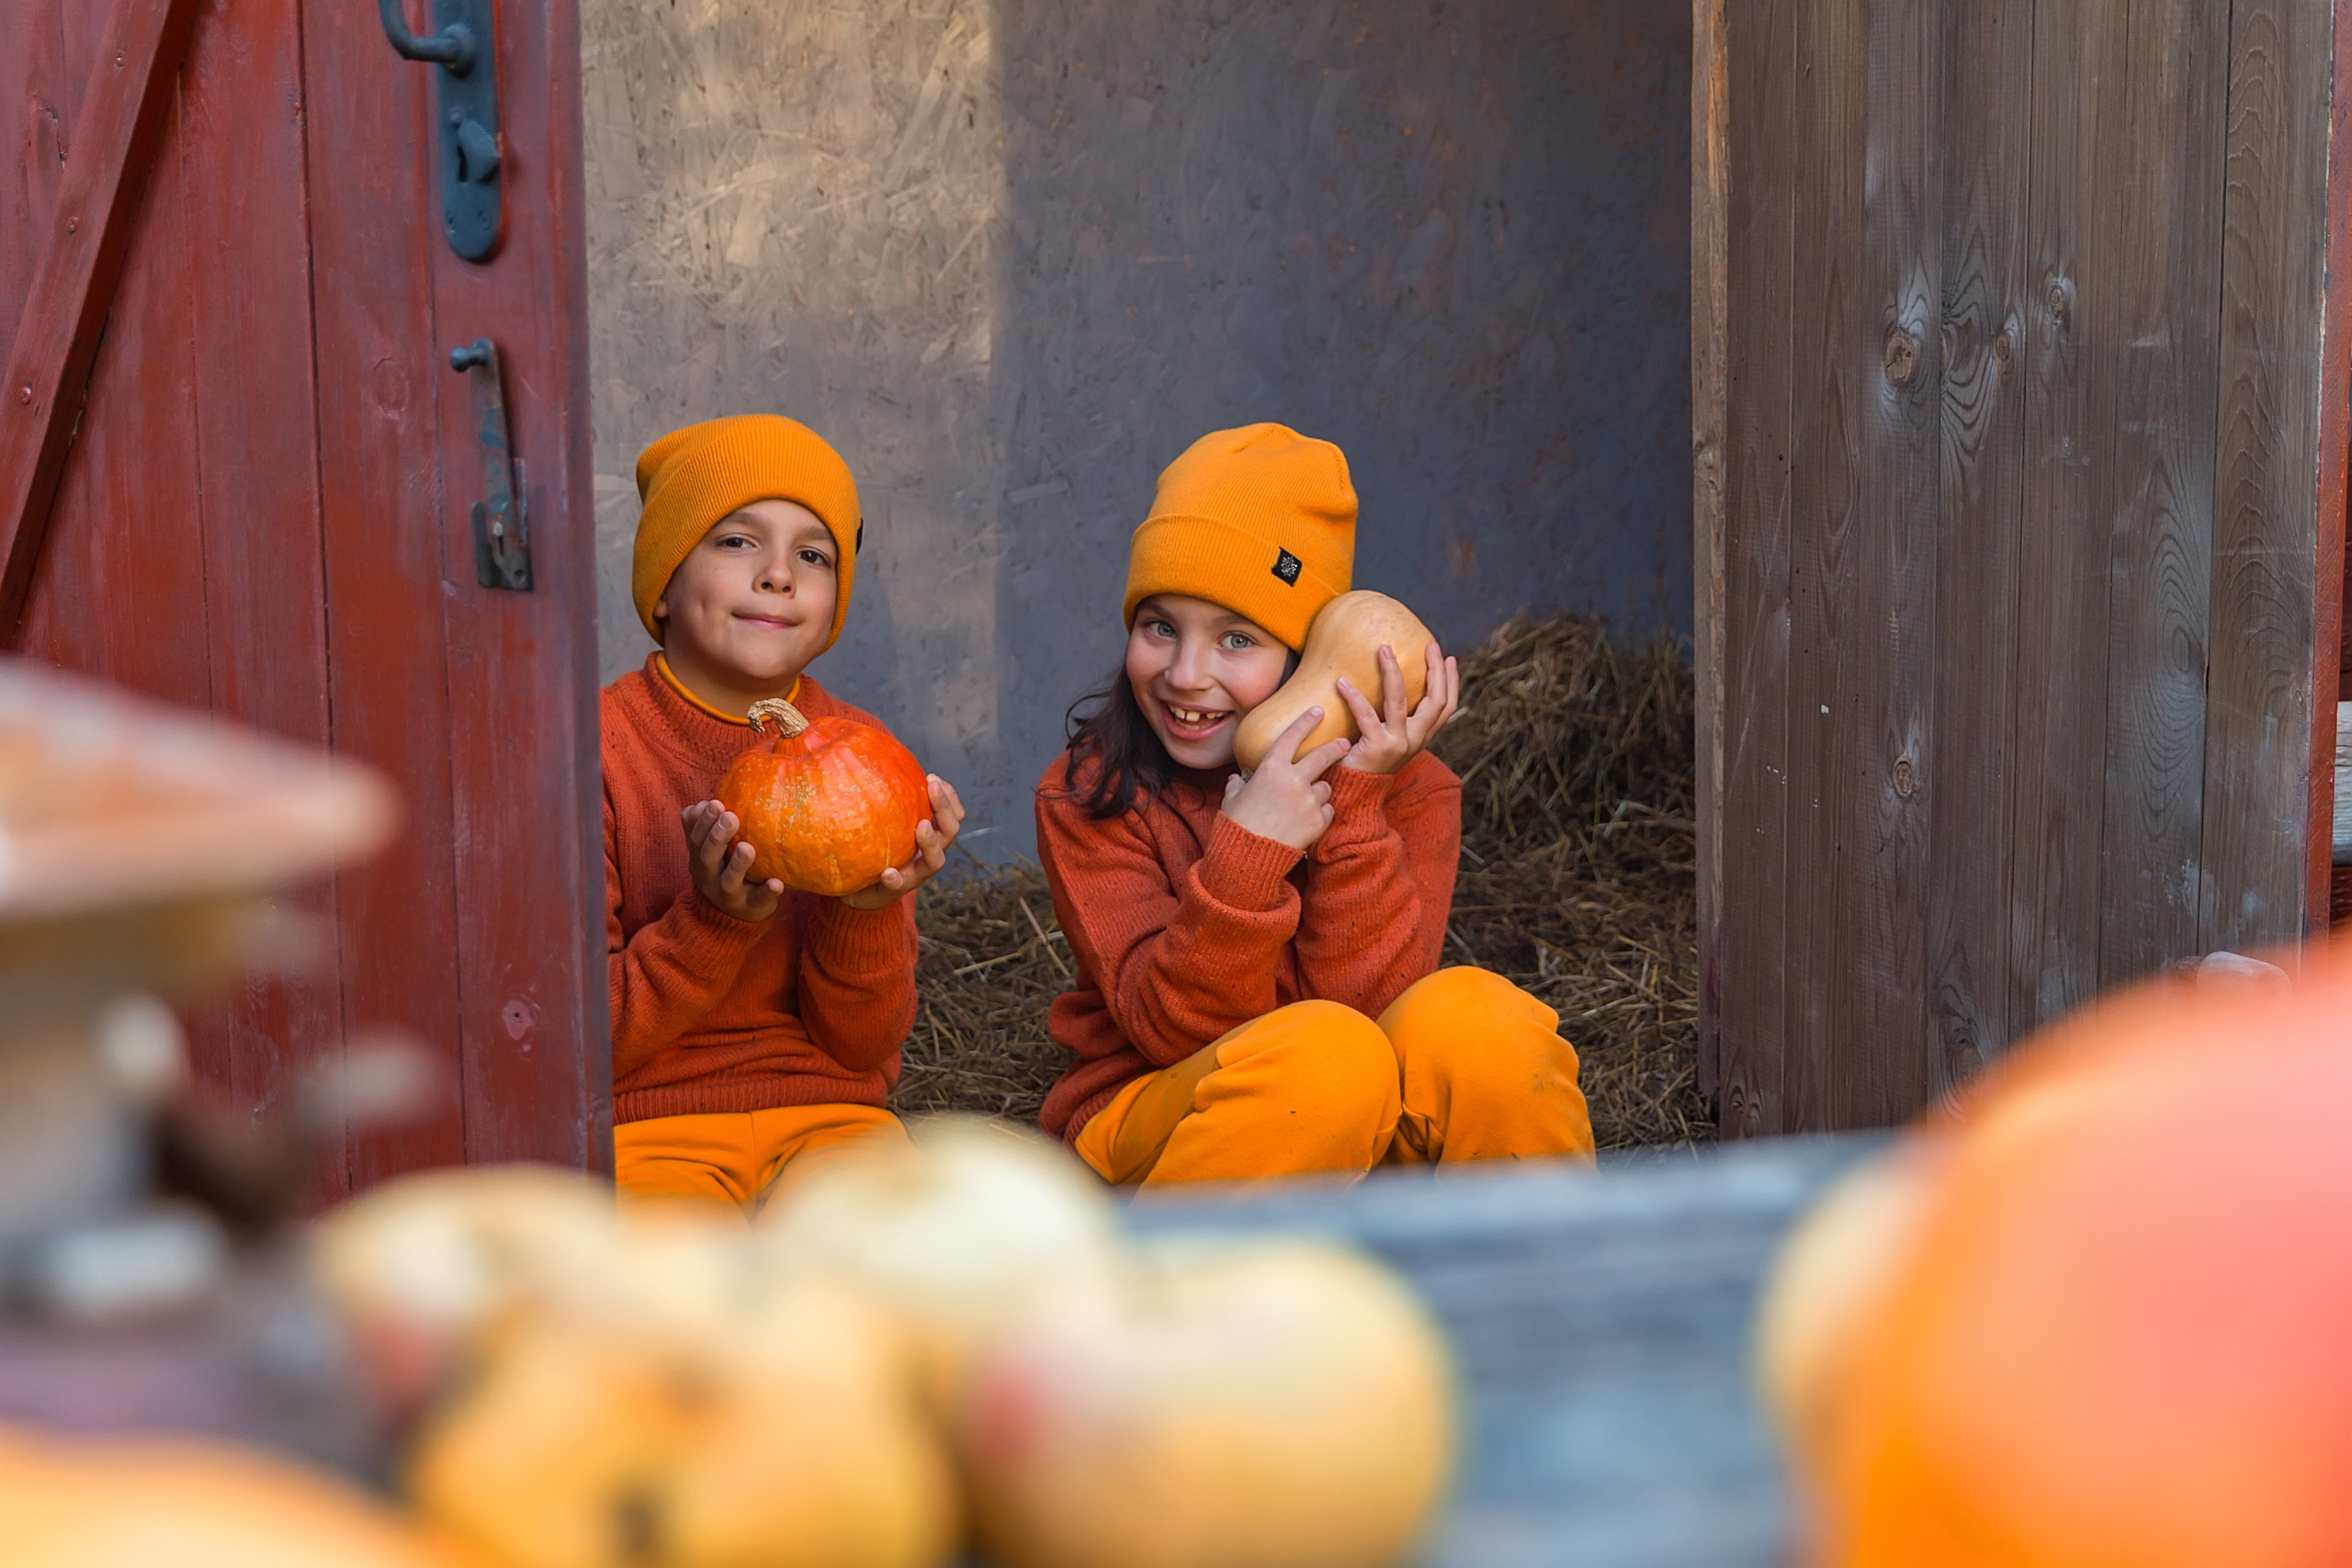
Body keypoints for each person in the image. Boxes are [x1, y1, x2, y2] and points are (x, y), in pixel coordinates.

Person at [1034, 423, 1594, 1187]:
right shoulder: (1094, 791)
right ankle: (1160, 1290)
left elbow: (1376, 1013)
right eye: (1159, 626)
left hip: (1351, 1121)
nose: (1186, 674)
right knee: (1326, 1057)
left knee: (1479, 1022)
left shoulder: (1415, 790)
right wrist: (1245, 858)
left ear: (1309, 658)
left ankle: (1552, 1289)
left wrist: (1354, 806)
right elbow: (1169, 1030)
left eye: (1237, 640)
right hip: (1164, 1129)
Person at [602, 415, 963, 1213]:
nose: (778, 575)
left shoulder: (869, 759)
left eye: (813, 553)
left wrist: (866, 908)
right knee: (667, 1300)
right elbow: (583, 1042)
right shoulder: (592, 753)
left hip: (834, 1122)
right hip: (647, 1127)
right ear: (663, 579)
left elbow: (863, 1045)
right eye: (737, 541)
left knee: (903, 1273)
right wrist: (714, 919)